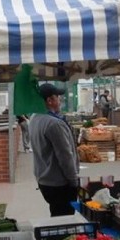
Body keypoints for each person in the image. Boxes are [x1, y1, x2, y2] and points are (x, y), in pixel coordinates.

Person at [29, 83, 80, 216]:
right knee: (65, 219)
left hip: (44, 179)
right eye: (58, 97)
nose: (60, 101)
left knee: (56, 214)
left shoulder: (35, 118)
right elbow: (65, 156)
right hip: (59, 183)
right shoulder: (54, 123)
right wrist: (73, 181)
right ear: (49, 100)